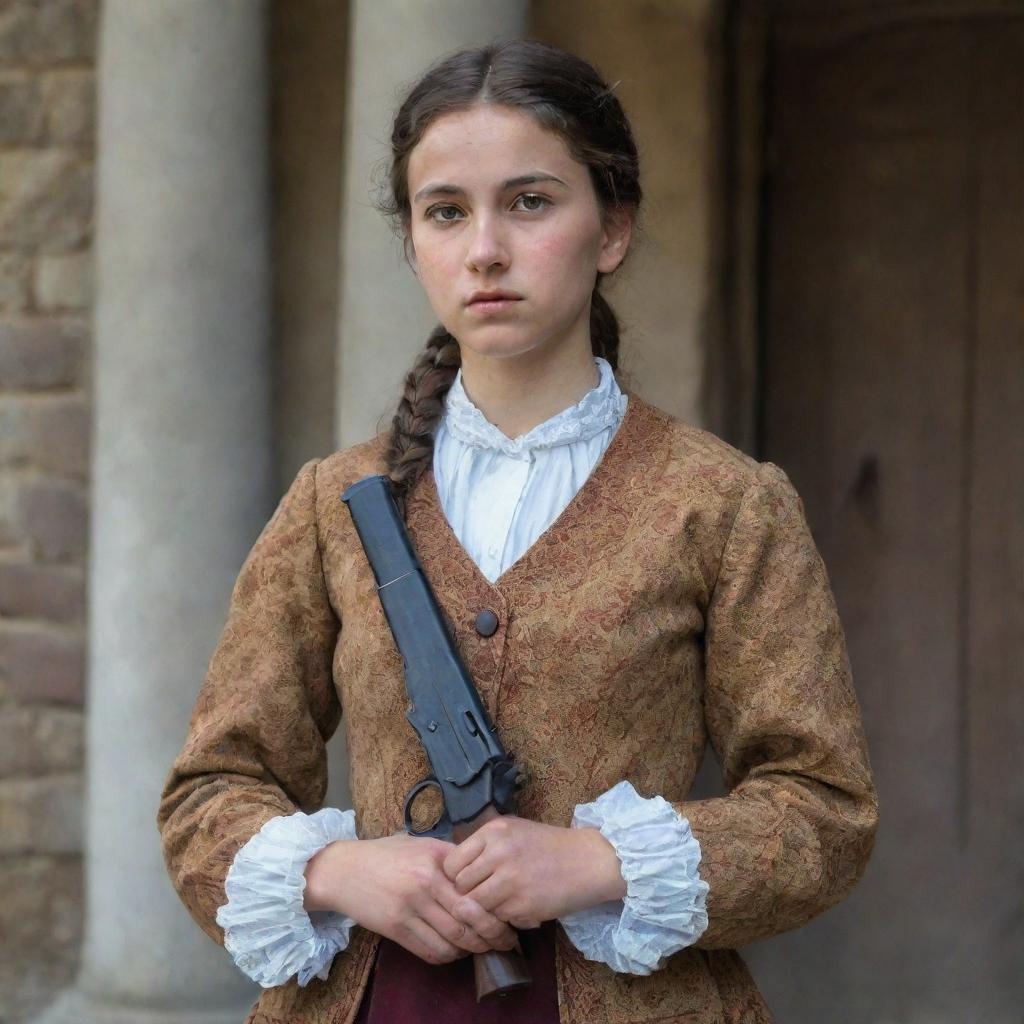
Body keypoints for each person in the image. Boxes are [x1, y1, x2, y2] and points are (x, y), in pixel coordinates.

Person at [157, 38, 878, 1024]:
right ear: (414, 244)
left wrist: (595, 860)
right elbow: (210, 793)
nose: (484, 249)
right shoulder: (336, 501)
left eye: (530, 202)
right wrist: (341, 869)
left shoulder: (725, 503)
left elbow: (821, 812)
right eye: (445, 212)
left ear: (611, 228)